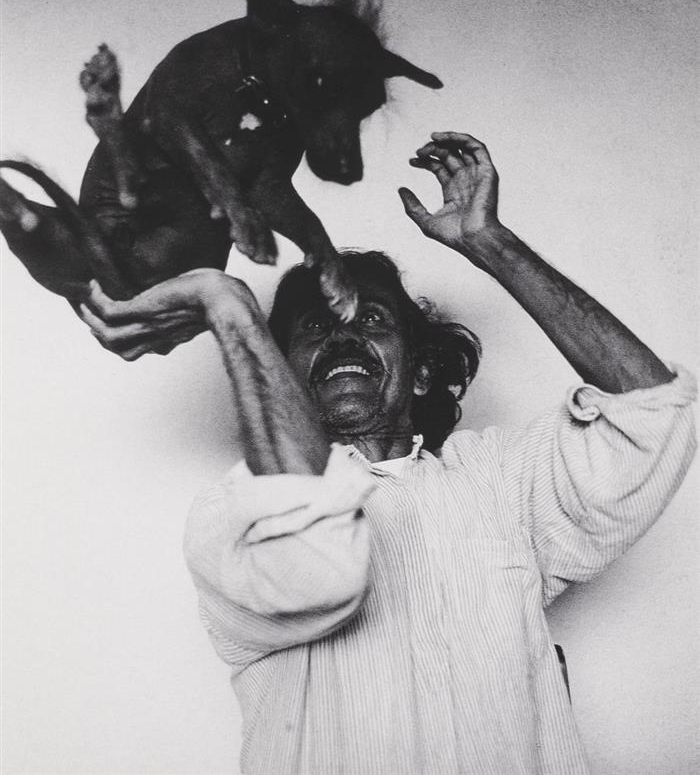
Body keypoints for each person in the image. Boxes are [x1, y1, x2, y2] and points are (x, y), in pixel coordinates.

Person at [82, 132, 696, 775]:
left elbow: (655, 414)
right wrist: (230, 309)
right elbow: (313, 561)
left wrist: (489, 242)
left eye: (372, 319)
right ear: (283, 377)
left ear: (421, 373)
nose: (342, 335)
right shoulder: (232, 517)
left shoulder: (501, 481)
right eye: (314, 326)